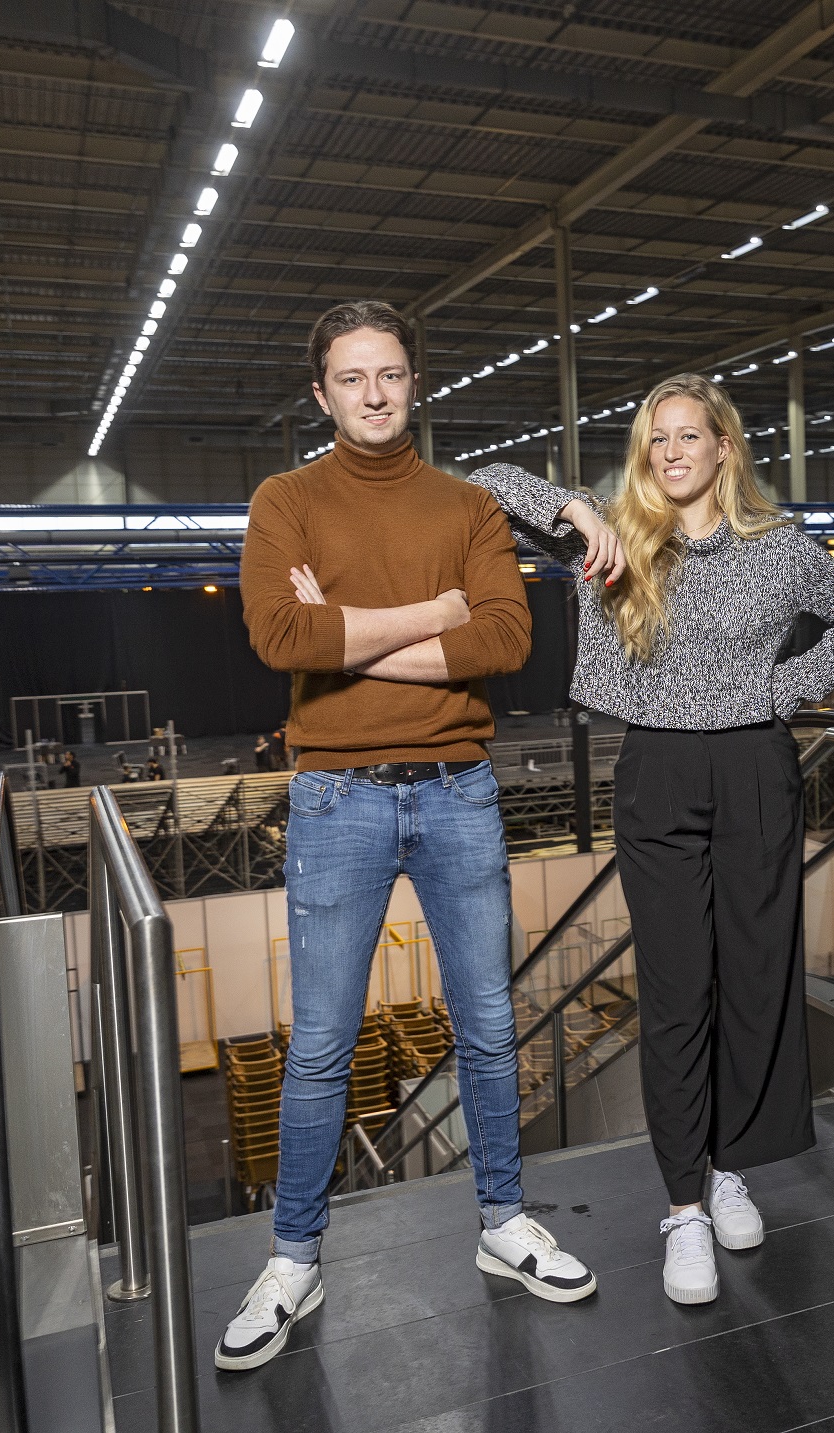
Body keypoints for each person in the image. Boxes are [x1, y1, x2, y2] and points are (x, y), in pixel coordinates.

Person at [301, 373, 834, 1305]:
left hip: (756, 769)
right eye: (657, 438)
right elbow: (485, 484)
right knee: (676, 990)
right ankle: (683, 1206)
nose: (672, 452)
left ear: (724, 447)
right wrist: (577, 506)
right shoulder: (614, 533)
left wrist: (787, 688)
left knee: (754, 979)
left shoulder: (779, 548)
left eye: (689, 435)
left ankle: (731, 1167)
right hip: (658, 770)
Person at [227, 299, 595, 1374]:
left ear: (414, 383)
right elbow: (279, 634)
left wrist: (344, 637)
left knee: (488, 1022)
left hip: (456, 792)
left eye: (389, 373)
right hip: (335, 798)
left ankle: (503, 1221)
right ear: (322, 393)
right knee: (322, 1044)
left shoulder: (467, 503)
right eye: (352, 377)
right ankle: (293, 1258)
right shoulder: (285, 499)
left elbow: (506, 637)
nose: (374, 393)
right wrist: (434, 613)